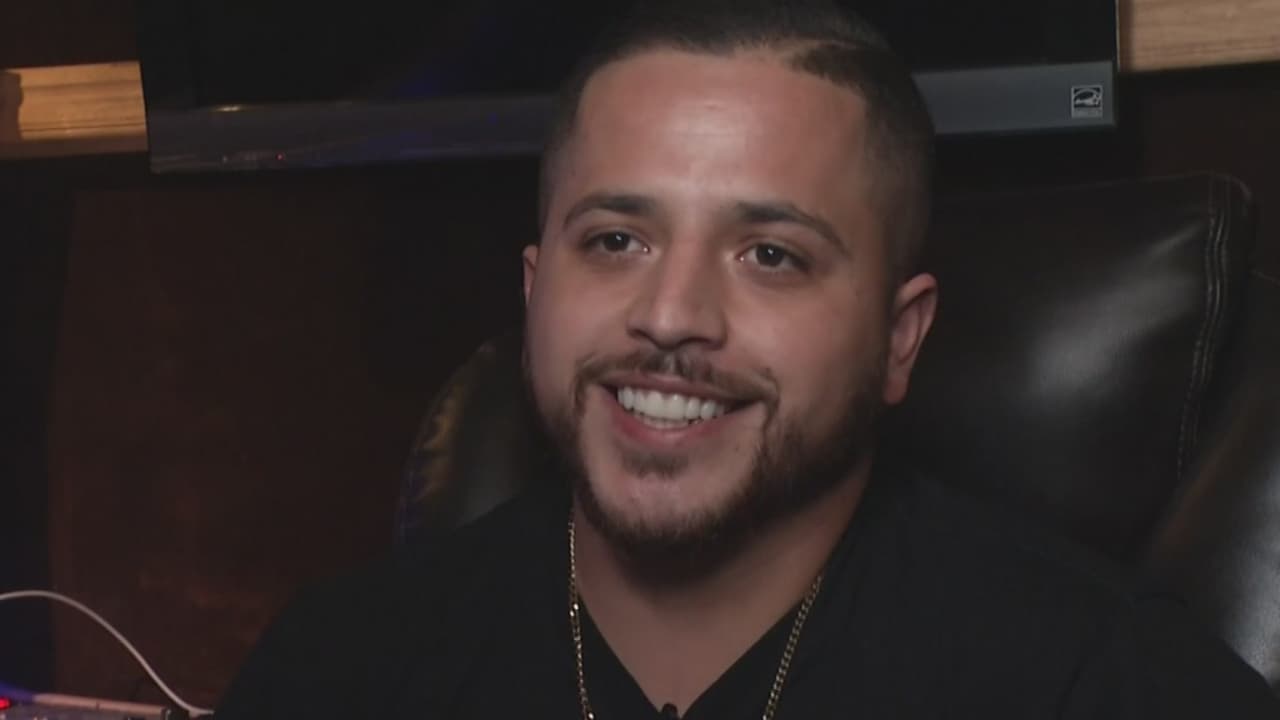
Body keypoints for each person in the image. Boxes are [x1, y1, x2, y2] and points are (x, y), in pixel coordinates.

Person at [216, 1, 1280, 717]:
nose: (670, 315)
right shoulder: (335, 670)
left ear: (898, 339)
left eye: (771, 255)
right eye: (615, 241)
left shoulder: (1105, 685)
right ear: (535, 291)